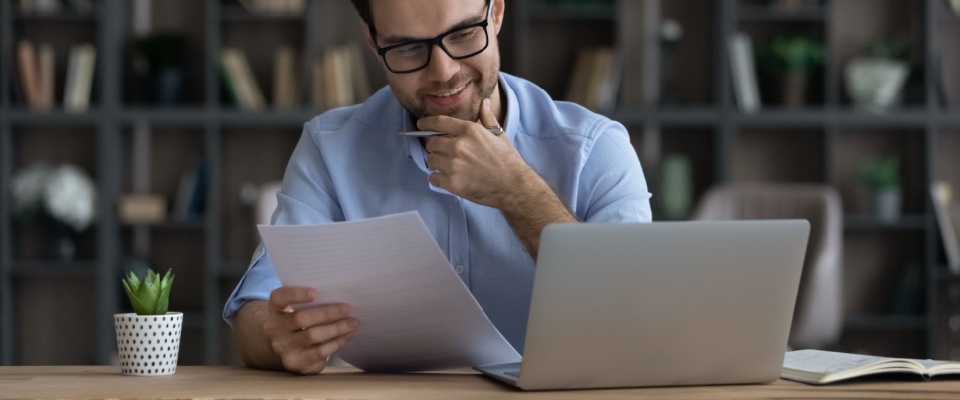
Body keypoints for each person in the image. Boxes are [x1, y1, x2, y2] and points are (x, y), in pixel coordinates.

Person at [223, 0, 652, 375]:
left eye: (464, 34)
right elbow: (255, 309)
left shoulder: (595, 148)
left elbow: (638, 321)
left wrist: (516, 190)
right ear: (373, 42)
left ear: (496, 12)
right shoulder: (330, 148)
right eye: (409, 47)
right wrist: (277, 337)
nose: (444, 72)